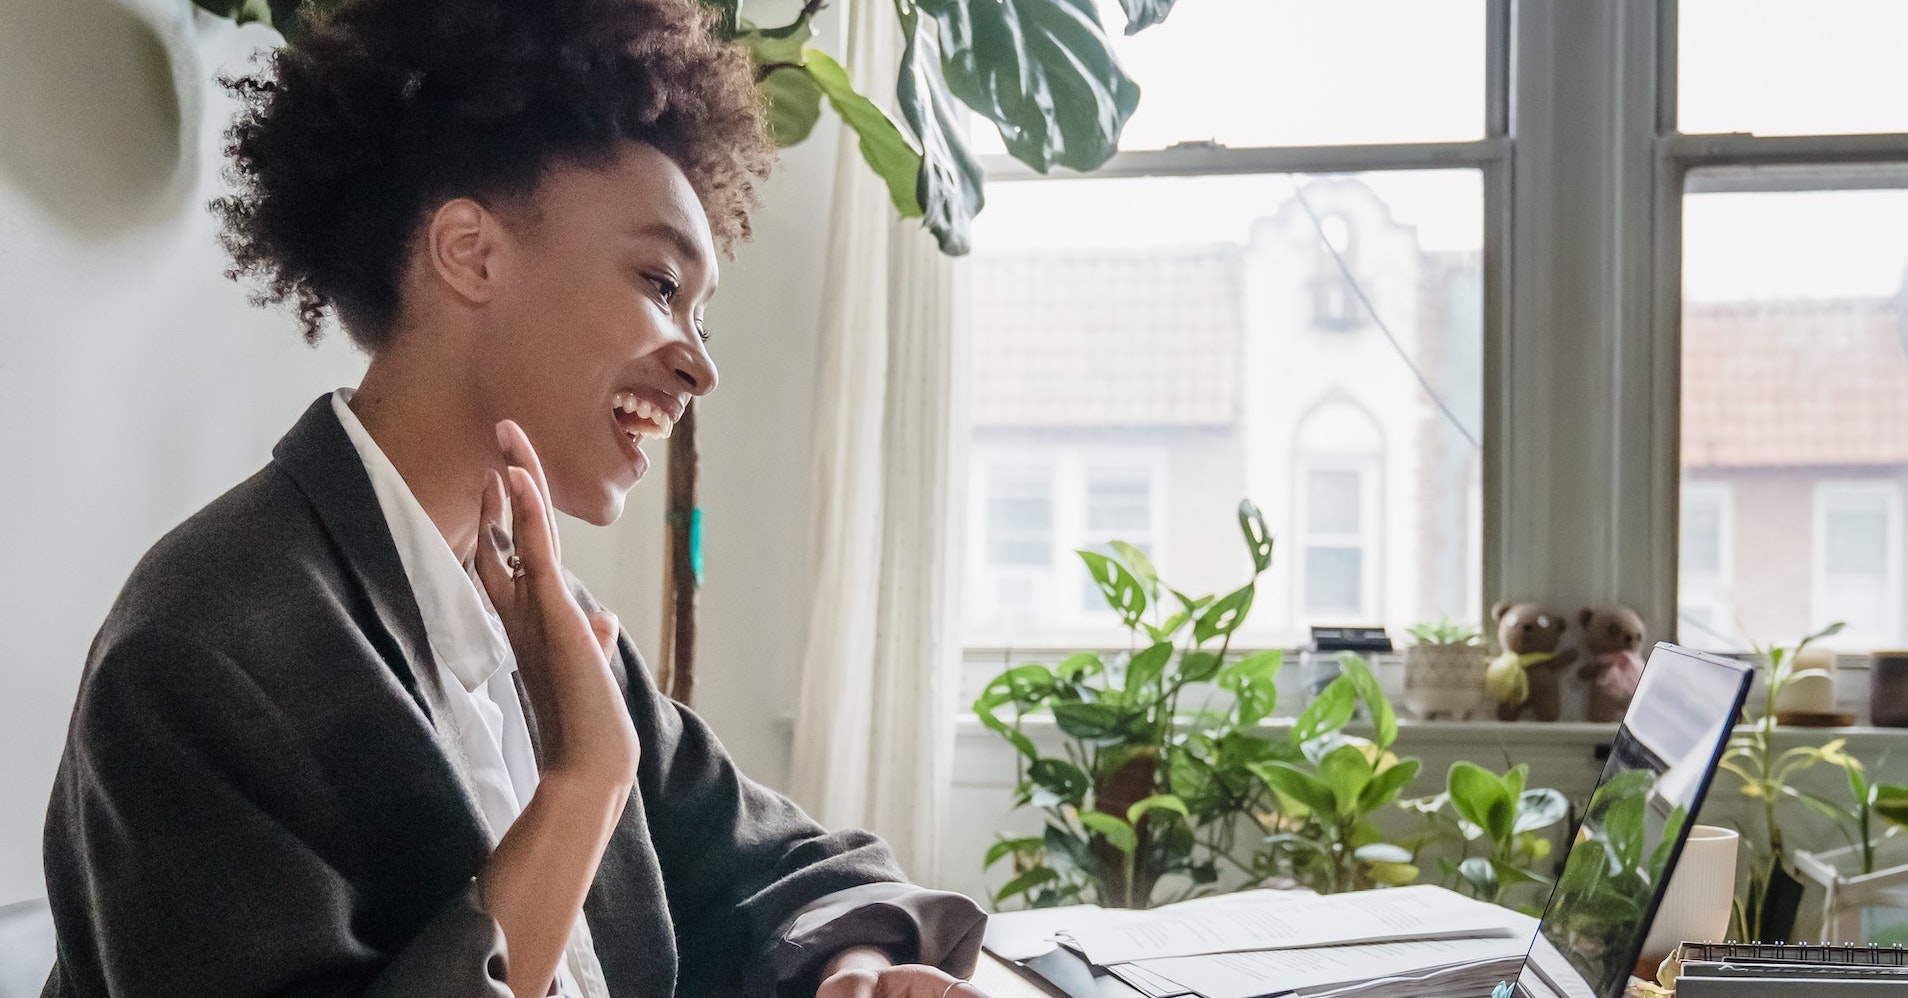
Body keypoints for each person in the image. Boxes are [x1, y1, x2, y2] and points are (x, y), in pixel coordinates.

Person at [37, 0, 987, 995]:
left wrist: (855, 967)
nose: (700, 365)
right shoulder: (202, 650)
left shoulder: (550, 622)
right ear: (471, 254)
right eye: (661, 283)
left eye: (702, 314)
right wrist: (581, 787)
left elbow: (794, 866)